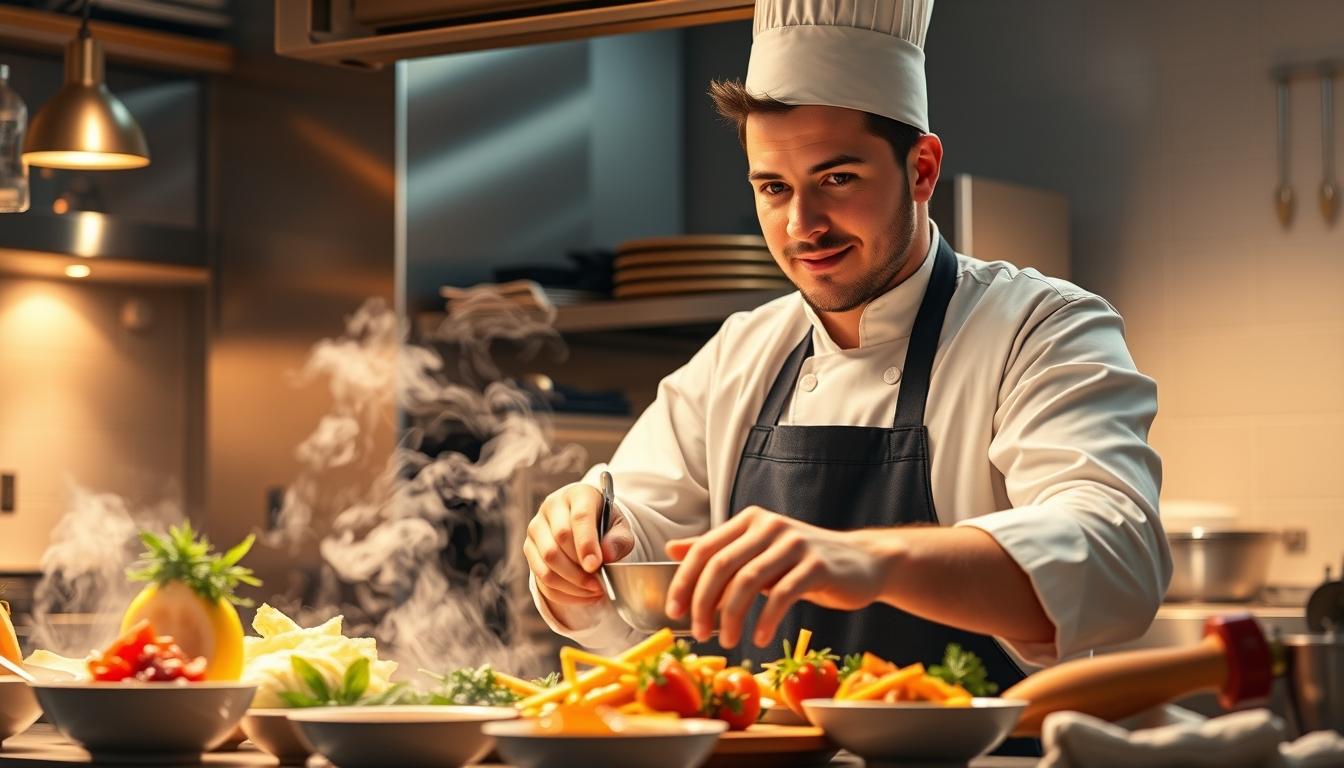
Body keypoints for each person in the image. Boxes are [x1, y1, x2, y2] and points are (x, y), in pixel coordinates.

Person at [524, 0, 1170, 722]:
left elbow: (1115, 555)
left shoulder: (1040, 329)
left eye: (837, 179)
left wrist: (869, 560)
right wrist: (581, 550)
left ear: (921, 170)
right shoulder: (741, 352)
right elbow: (640, 556)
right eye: (774, 188)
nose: (802, 225)